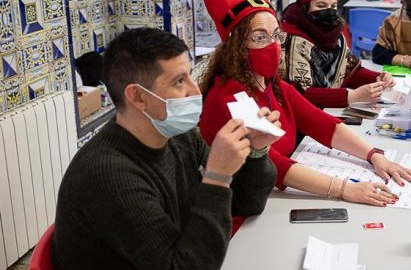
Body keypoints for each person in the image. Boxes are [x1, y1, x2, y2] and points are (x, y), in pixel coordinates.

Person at [186, 0, 411, 209]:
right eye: (259, 37)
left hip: (273, 198)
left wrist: (374, 155)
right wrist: (345, 189)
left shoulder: (269, 83)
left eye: (276, 35)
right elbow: (275, 165)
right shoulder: (230, 97)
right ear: (236, 45)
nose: (274, 45)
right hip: (242, 210)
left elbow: (318, 121)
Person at [51, 27, 280, 269]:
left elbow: (246, 204)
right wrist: (217, 177)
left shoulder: (180, 137)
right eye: (180, 81)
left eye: (190, 76)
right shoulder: (107, 174)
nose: (194, 90)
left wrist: (255, 151)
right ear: (138, 97)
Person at [280, 0, 395, 108]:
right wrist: (352, 96)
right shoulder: (292, 40)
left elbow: (348, 70)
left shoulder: (335, 35)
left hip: (330, 109)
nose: (329, 11)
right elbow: (299, 94)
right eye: (321, 5)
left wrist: (378, 78)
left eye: (333, 6)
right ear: (306, 7)